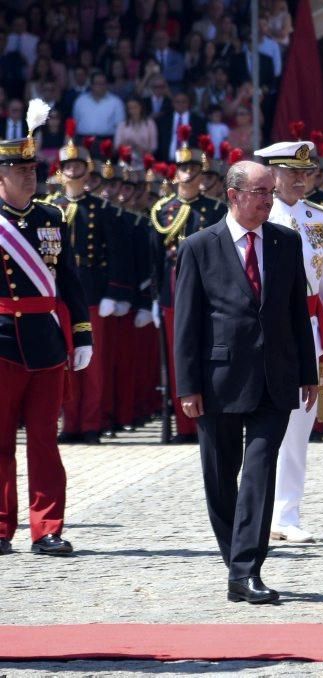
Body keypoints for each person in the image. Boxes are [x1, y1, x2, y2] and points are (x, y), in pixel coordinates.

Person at [173, 160, 318, 604]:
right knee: (220, 476)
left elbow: (298, 311)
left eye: (270, 192)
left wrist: (308, 373)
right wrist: (187, 386)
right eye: (260, 192)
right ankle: (235, 559)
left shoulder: (285, 242)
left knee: (259, 469)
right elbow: (186, 321)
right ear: (233, 195)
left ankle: (246, 568)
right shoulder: (200, 245)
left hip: (275, 377)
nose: (268, 200)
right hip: (219, 379)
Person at [0, 100, 92, 556]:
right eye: (18, 170)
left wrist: (83, 333)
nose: (29, 175)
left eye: (32, 168)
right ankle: (0, 528)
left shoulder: (52, 218)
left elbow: (69, 279)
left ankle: (47, 527)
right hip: (1, 340)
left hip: (46, 342)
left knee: (45, 442)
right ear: (1, 176)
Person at [254, 140, 323, 543]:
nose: (300, 179)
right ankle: (255, 509)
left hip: (307, 331)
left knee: (298, 428)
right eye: (292, 172)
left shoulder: (320, 218)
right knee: (261, 423)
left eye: (306, 172)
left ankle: (287, 513)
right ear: (273, 175)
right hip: (266, 327)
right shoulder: (259, 215)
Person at [47, 124, 132, 445]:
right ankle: (70, 424)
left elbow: (116, 255)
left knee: (92, 365)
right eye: (67, 166)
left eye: (78, 166)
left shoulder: (100, 209)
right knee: (65, 362)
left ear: (86, 171)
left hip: (92, 291)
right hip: (59, 294)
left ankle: (91, 423)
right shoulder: (50, 208)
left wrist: (115, 292)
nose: (72, 171)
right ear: (61, 170)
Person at [150, 125, 226, 443]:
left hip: (208, 290)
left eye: (193, 169)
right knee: (178, 353)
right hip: (173, 286)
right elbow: (155, 256)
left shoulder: (216, 209)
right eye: (182, 168)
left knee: (205, 351)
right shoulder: (164, 210)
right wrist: (154, 296)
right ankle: (182, 425)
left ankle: (205, 418)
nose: (187, 174)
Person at [72, 72, 125, 141]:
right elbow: (74, 122)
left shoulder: (116, 102)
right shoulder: (80, 101)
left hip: (106, 141)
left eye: (103, 84)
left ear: (107, 85)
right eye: (97, 83)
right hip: (83, 140)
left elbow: (120, 127)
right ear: (91, 85)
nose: (100, 86)